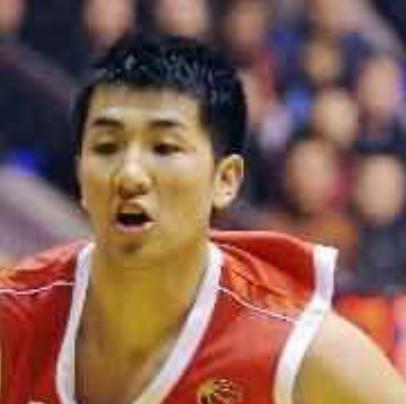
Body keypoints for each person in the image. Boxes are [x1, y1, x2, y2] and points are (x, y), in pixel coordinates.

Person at [1, 32, 405, 404]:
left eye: (164, 147)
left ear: (225, 180)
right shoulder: (16, 310)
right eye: (107, 146)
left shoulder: (302, 348)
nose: (130, 174)